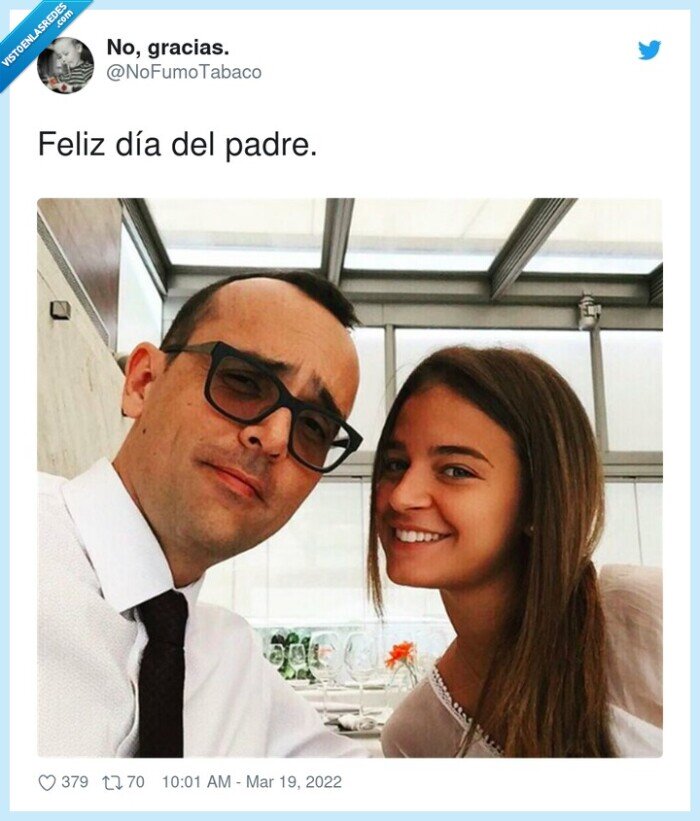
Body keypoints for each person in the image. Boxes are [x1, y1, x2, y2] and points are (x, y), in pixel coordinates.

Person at [38, 272, 368, 757]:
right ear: (143, 382)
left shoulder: (236, 669)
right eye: (243, 381)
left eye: (315, 426)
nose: (276, 439)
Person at [368, 345, 662, 757]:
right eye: (396, 464)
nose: (401, 496)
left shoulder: (650, 617)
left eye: (456, 470)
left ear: (539, 501)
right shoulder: (413, 737)